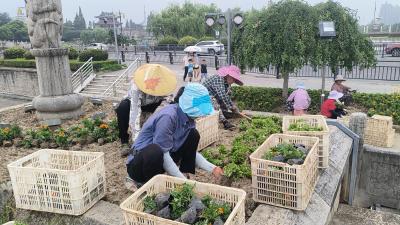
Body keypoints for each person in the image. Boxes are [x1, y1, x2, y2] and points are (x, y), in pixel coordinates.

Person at [126, 83, 224, 190]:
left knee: (193, 135)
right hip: (139, 165)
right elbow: (163, 153)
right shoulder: (168, 117)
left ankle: (183, 173)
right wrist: (183, 183)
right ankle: (150, 185)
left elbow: (191, 153)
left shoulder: (188, 119)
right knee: (155, 150)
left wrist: (212, 168)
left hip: (159, 162)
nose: (201, 114)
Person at [116, 64, 177, 157]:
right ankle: (124, 141)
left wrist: (155, 118)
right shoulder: (136, 85)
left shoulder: (164, 86)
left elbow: (165, 102)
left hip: (153, 104)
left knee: (171, 107)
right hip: (135, 103)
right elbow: (134, 112)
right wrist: (137, 142)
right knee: (122, 107)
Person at [202, 65, 243, 130]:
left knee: (223, 98)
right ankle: (225, 122)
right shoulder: (218, 78)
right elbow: (223, 95)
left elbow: (226, 96)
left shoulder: (226, 83)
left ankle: (224, 113)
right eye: (233, 79)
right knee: (214, 100)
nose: (233, 81)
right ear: (228, 75)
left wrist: (232, 106)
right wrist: (232, 107)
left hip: (211, 97)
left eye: (235, 80)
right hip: (201, 99)